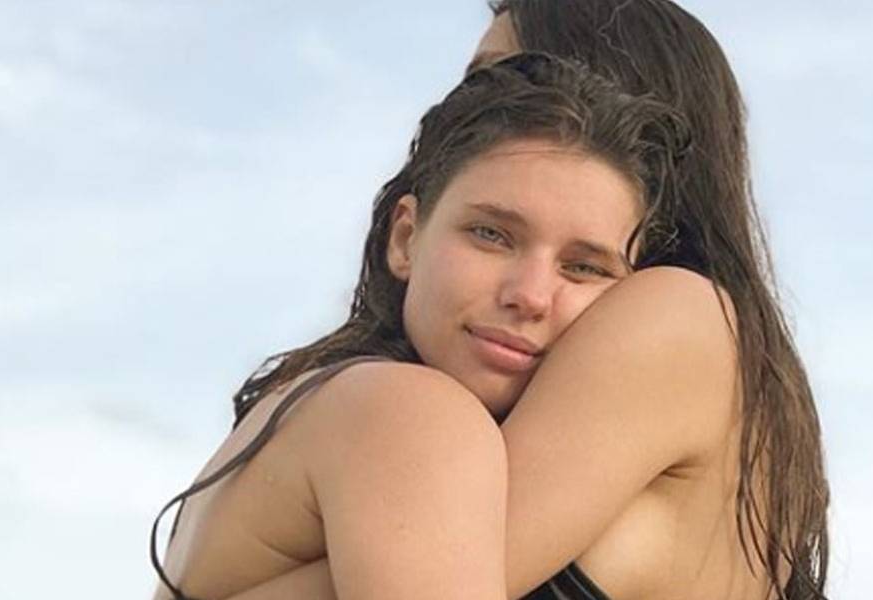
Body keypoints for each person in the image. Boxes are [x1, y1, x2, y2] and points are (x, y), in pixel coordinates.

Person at [158, 0, 831, 597]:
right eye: (491, 234)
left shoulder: (677, 320)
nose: (463, 104)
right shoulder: (393, 408)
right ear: (406, 236)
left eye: (499, 78)